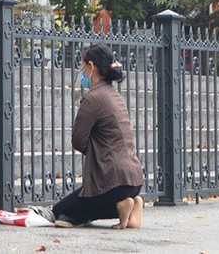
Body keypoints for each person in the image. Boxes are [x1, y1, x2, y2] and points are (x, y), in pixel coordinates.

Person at [42, 43, 144, 228]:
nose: (80, 71)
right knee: (77, 208)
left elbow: (78, 140)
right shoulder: (115, 95)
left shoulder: (93, 98)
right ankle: (132, 204)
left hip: (113, 182)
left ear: (91, 66)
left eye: (81, 65)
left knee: (60, 211)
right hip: (134, 179)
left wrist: (98, 153)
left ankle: (120, 205)